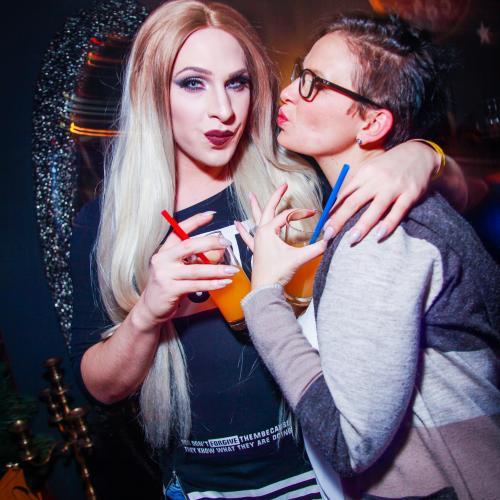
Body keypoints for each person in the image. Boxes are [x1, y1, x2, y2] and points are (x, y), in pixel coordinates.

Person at [69, 1, 469, 497]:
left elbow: (463, 197)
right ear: (151, 92)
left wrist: (422, 156)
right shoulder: (108, 224)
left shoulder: (301, 176)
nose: (224, 110)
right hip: (209, 484)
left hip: (330, 472)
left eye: (237, 82)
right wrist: (148, 314)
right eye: (192, 83)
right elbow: (103, 388)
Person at [240, 12, 500, 499]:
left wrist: (264, 296)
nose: (288, 92)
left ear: (373, 122)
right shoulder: (382, 209)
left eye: (314, 84)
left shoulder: (376, 232)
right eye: (298, 74)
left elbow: (350, 442)